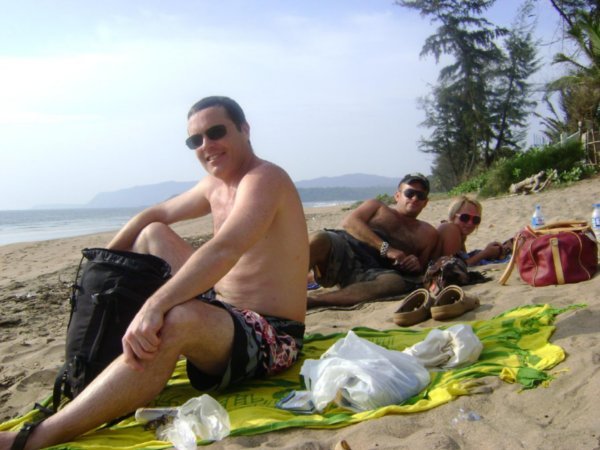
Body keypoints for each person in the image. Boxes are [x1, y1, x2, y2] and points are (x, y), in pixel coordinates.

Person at [0, 96, 309, 450]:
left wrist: (154, 305)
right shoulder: (214, 185)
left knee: (177, 318)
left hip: (274, 336)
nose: (206, 145)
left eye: (216, 132)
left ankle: (38, 437)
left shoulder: (264, 178)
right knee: (153, 235)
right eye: (195, 140)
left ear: (244, 129)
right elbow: (151, 215)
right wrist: (100, 266)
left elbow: (225, 249)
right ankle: (113, 363)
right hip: (228, 313)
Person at [307, 173, 438, 308]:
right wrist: (386, 248)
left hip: (374, 272)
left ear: (426, 202)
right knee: (320, 238)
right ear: (397, 196)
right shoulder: (376, 206)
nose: (415, 198)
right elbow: (349, 223)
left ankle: (313, 301)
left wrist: (414, 264)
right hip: (345, 249)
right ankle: (285, 285)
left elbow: (422, 271)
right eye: (409, 193)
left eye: (420, 196)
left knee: (394, 282)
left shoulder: (428, 233)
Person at [437, 195, 509, 266]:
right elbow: (453, 268)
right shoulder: (451, 229)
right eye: (465, 217)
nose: (470, 223)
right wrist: (485, 253)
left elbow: (463, 262)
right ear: (453, 216)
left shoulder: (460, 234)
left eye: (475, 219)